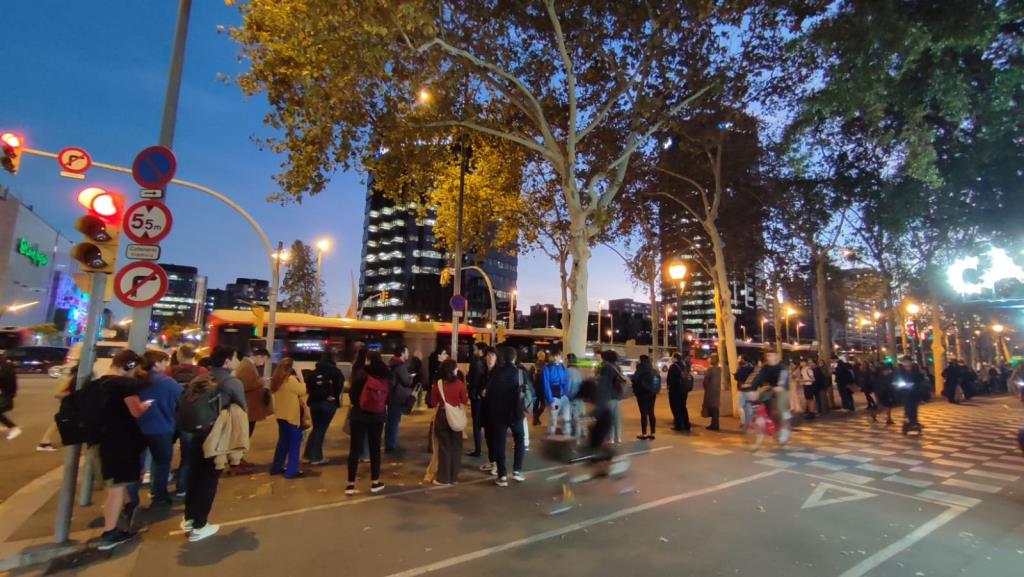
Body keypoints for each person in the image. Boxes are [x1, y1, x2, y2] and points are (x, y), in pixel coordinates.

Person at [181, 346, 247, 542]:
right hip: (216, 435)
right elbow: (243, 408)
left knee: (195, 477)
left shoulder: (201, 378)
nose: (236, 362)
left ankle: (189, 518)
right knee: (209, 480)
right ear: (227, 361)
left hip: (195, 433)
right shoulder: (231, 381)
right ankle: (200, 525)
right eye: (235, 358)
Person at [92, 350, 150, 550]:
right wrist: (145, 406)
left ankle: (125, 511)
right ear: (129, 365)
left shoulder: (100, 383)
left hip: (102, 440)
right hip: (121, 441)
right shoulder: (124, 384)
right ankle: (110, 533)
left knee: (115, 487)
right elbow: (135, 411)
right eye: (136, 368)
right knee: (116, 489)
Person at [134, 350, 182, 507]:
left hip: (138, 428)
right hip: (162, 427)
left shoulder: (137, 381)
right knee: (161, 463)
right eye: (163, 362)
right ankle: (158, 495)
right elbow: (181, 399)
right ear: (156, 364)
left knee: (136, 465)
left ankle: (131, 498)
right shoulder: (167, 382)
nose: (165, 365)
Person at [346, 350, 389, 495]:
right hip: (377, 416)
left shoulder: (361, 374)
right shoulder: (385, 375)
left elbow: (352, 395)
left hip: (359, 415)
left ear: (368, 360)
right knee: (375, 448)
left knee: (355, 449)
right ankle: (375, 482)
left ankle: (350, 485)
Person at [485, 347, 527, 487]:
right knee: (519, 440)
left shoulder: (496, 373)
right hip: (516, 413)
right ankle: (517, 470)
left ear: (502, 357)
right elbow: (528, 393)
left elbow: (489, 392)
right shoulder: (521, 373)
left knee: (500, 444)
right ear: (515, 358)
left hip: (499, 414)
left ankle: (502, 476)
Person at [430, 360, 469, 485]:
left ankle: (444, 478)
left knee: (444, 447)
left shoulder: (438, 384)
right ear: (452, 371)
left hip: (442, 416)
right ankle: (454, 477)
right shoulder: (459, 384)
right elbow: (464, 400)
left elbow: (433, 402)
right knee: (456, 447)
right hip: (456, 417)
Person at [270, 358, 308, 478]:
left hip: (281, 416)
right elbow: (303, 391)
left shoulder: (276, 380)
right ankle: (291, 471)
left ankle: (276, 467)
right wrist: (301, 377)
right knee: (294, 444)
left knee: (282, 443)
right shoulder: (290, 380)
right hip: (291, 416)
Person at [303, 350, 343, 465]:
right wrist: (334, 398)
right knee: (321, 430)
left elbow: (309, 387)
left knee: (316, 428)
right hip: (328, 404)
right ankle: (316, 457)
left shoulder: (315, 371)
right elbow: (339, 388)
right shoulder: (336, 372)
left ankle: (307, 455)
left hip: (314, 403)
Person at [749, 351, 791, 444]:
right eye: (768, 356)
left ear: (777, 356)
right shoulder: (765, 368)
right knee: (767, 409)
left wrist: (780, 385)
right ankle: (772, 428)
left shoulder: (782, 367)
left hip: (782, 389)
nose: (769, 357)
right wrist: (752, 389)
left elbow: (783, 378)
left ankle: (785, 430)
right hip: (771, 388)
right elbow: (758, 378)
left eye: (772, 355)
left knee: (781, 407)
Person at [37, 366, 80, 451]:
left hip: (74, 403)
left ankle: (45, 441)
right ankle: (44, 442)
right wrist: (71, 393)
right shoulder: (72, 378)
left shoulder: (78, 378)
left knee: (60, 422)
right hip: (70, 404)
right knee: (58, 422)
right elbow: (57, 394)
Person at [385, 345, 413, 454]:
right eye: (407, 352)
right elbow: (406, 382)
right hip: (397, 397)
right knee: (394, 421)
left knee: (391, 421)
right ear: (402, 353)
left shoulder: (392, 364)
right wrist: (410, 378)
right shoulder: (401, 366)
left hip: (392, 396)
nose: (408, 354)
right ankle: (392, 445)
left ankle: (389, 443)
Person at [466, 342, 489, 457]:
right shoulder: (486, 362)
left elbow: (472, 379)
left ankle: (478, 450)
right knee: (484, 422)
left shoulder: (476, 362)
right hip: (484, 396)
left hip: (476, 395)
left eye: (475, 349)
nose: (473, 351)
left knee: (476, 424)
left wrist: (467, 376)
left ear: (480, 351)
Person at [893, 355, 925, 435]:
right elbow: (897, 381)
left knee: (914, 409)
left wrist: (916, 383)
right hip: (905, 393)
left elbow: (920, 380)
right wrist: (903, 385)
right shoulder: (900, 371)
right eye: (904, 361)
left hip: (915, 393)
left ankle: (914, 423)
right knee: (908, 409)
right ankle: (909, 424)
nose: (906, 363)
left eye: (908, 361)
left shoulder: (916, 370)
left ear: (911, 362)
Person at [543, 350, 572, 436]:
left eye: (559, 356)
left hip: (563, 397)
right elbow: (546, 385)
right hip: (553, 397)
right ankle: (551, 439)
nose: (557, 358)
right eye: (555, 356)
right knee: (553, 420)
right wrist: (550, 401)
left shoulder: (563, 367)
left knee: (567, 419)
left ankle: (567, 439)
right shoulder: (547, 368)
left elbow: (567, 381)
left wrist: (567, 394)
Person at [630, 355, 660, 439]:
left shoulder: (640, 369)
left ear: (641, 360)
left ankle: (644, 433)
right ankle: (652, 433)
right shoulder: (653, 370)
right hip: (652, 393)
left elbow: (634, 379)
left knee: (643, 414)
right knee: (651, 412)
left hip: (642, 394)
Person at [667, 354, 692, 432]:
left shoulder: (673, 367)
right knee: (683, 407)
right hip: (684, 390)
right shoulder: (683, 365)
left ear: (675, 358)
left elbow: (670, 379)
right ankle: (686, 424)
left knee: (675, 407)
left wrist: (669, 387)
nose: (671, 359)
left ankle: (678, 425)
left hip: (675, 390)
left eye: (672, 357)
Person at [566, 353, 586, 445]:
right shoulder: (579, 372)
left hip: (570, 400)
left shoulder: (566, 371)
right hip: (579, 400)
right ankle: (577, 440)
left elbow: (567, 387)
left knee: (569, 421)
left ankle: (570, 440)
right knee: (577, 421)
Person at [701, 354, 722, 431]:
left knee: (712, 407)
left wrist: (706, 387)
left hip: (710, 390)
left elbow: (705, 381)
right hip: (717, 390)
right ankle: (715, 423)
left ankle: (714, 424)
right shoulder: (719, 369)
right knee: (715, 407)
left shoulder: (710, 369)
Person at [871, 360, 896, 425]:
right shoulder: (880, 377)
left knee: (888, 406)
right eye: (886, 370)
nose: (888, 371)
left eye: (888, 370)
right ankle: (874, 414)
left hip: (888, 392)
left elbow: (892, 383)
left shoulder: (890, 376)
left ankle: (889, 418)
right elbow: (879, 386)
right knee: (882, 407)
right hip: (883, 393)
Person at [0, 359, 20, 440]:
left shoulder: (4, 369)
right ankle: (13, 427)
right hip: (8, 395)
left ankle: (13, 427)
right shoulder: (6, 367)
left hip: (5, 395)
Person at [531, 350, 548, 426]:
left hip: (535, 387)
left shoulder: (534, 365)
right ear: (543, 356)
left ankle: (535, 419)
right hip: (543, 387)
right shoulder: (545, 365)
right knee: (543, 404)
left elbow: (531, 377)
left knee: (536, 403)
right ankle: (536, 418)